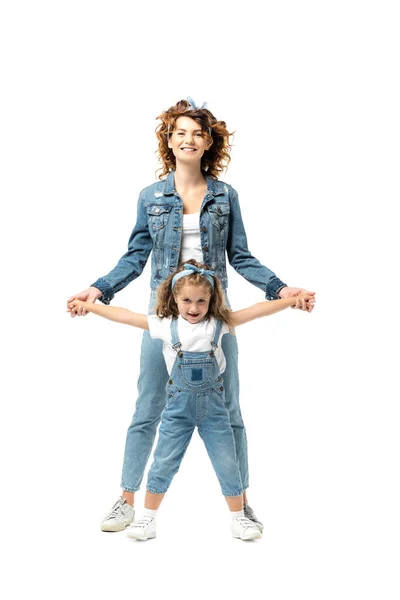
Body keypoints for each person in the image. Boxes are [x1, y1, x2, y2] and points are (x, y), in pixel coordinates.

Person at [67, 97, 315, 533]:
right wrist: (99, 289)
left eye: (197, 133)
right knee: (148, 407)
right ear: (169, 139)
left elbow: (240, 256)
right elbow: (134, 256)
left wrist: (280, 289)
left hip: (214, 311)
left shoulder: (225, 196)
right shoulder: (151, 196)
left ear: (208, 143)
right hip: (163, 313)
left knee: (230, 409)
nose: (188, 138)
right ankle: (127, 499)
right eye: (180, 131)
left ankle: (242, 505)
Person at [69, 260, 314, 541]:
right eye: (186, 300)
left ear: (212, 299)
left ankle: (239, 519)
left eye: (201, 300)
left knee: (227, 461)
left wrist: (293, 299)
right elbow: (123, 315)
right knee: (163, 462)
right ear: (174, 298)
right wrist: (90, 306)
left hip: (215, 411)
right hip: (177, 412)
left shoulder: (221, 323)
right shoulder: (163, 325)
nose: (194, 308)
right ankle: (147, 519)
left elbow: (258, 310)